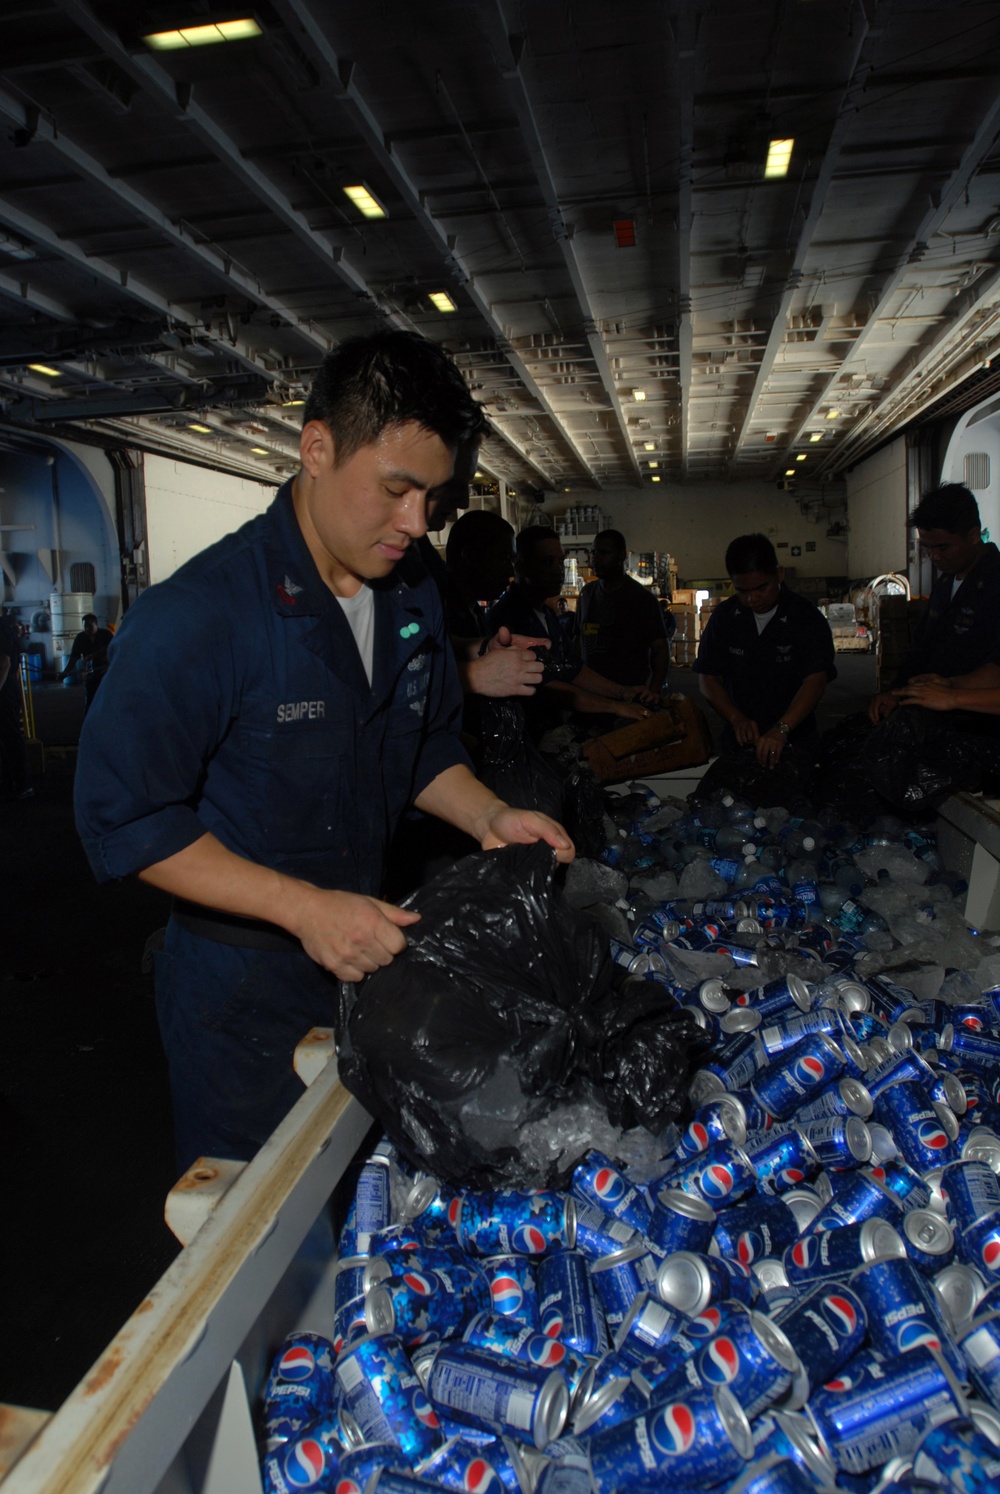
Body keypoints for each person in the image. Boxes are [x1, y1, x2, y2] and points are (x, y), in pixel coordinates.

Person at [74, 330, 574, 1170]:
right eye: (396, 489)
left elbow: (418, 748)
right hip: (242, 991)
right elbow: (126, 819)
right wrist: (304, 909)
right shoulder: (199, 617)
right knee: (257, 1243)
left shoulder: (411, 594)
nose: (417, 524)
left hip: (369, 953)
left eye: (435, 499)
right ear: (316, 449)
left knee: (367, 1209)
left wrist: (487, 813)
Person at [486, 526, 660, 735]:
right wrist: (614, 705)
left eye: (560, 561)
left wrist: (623, 693)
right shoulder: (507, 620)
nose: (558, 570)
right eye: (547, 562)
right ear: (521, 566)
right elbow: (546, 688)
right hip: (521, 738)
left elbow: (572, 668)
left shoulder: (547, 615)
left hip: (549, 730)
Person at [694, 532, 836, 769]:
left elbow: (815, 682)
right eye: (742, 591)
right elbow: (707, 678)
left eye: (761, 588)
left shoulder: (805, 617)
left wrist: (782, 729)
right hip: (739, 743)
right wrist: (735, 718)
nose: (752, 599)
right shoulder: (725, 617)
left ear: (779, 574)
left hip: (795, 743)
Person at [870, 484, 1000, 723]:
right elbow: (922, 646)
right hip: (939, 717)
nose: (934, 557)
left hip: (981, 724)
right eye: (927, 548)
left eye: (943, 547)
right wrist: (897, 692)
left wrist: (953, 691)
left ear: (973, 535)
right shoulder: (945, 584)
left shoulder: (994, 584)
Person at [577, 529, 670, 691]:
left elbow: (660, 647)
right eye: (594, 552)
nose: (596, 559)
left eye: (604, 553)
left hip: (629, 694)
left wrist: (654, 690)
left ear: (621, 556)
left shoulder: (642, 599)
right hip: (591, 693)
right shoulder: (586, 594)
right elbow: (577, 639)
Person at [0, 608, 32, 800]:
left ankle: (22, 784)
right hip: (6, 690)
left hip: (4, 693)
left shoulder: (1, 628)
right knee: (5, 740)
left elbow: (4, 662)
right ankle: (10, 783)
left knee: (10, 738)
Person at [60, 612, 114, 709]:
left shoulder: (106, 635)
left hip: (106, 673)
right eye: (85, 626)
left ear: (96, 624)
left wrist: (109, 666)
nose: (87, 629)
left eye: (90, 626)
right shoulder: (81, 638)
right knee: (90, 700)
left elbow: (115, 651)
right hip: (91, 675)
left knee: (108, 698)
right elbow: (74, 657)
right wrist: (65, 673)